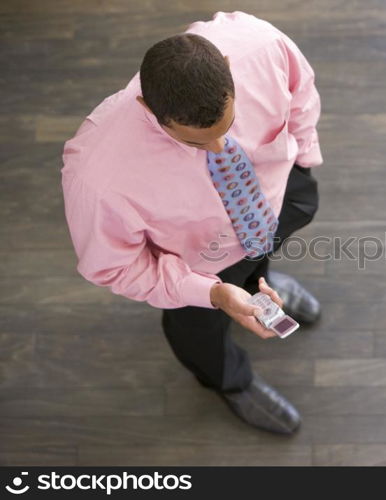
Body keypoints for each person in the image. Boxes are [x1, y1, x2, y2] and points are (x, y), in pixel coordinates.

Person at [60, 11, 324, 435]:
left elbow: (301, 93)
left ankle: (263, 284)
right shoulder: (97, 178)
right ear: (149, 109)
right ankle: (228, 381)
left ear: (225, 63)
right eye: (195, 142)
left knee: (262, 256)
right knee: (199, 331)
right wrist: (215, 293)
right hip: (197, 267)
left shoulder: (259, 44)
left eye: (228, 126)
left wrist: (305, 158)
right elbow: (115, 266)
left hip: (273, 203)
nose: (220, 147)